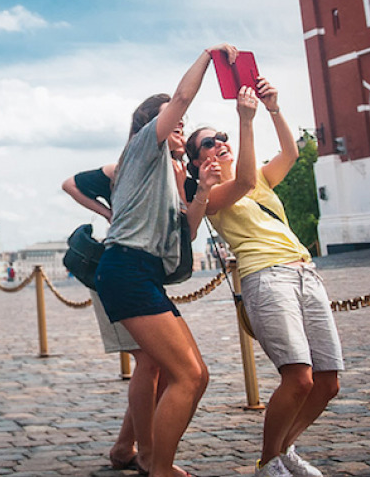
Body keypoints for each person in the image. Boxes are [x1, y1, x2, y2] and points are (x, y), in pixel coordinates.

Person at [186, 77, 342, 477]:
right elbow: (243, 182)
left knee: (328, 382)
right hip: (265, 277)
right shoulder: (208, 194)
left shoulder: (259, 176)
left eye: (222, 136)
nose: (220, 141)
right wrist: (245, 121)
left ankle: (286, 449)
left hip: (305, 271)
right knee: (299, 378)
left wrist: (272, 108)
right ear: (197, 159)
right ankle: (269, 460)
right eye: (209, 141)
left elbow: (292, 151)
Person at [93, 44, 236, 477]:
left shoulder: (166, 176)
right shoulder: (141, 147)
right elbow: (181, 99)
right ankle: (158, 467)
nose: (181, 129)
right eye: (175, 123)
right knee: (188, 375)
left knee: (196, 375)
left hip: (144, 275)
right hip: (126, 269)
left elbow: (186, 234)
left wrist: (203, 189)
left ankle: (150, 457)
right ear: (152, 123)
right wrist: (209, 57)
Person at [63, 148, 220, 471]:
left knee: (160, 365)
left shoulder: (178, 176)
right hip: (120, 272)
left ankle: (126, 447)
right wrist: (107, 214)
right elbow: (70, 184)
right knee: (150, 362)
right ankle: (147, 454)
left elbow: (186, 232)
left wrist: (189, 188)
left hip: (145, 277)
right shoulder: (131, 166)